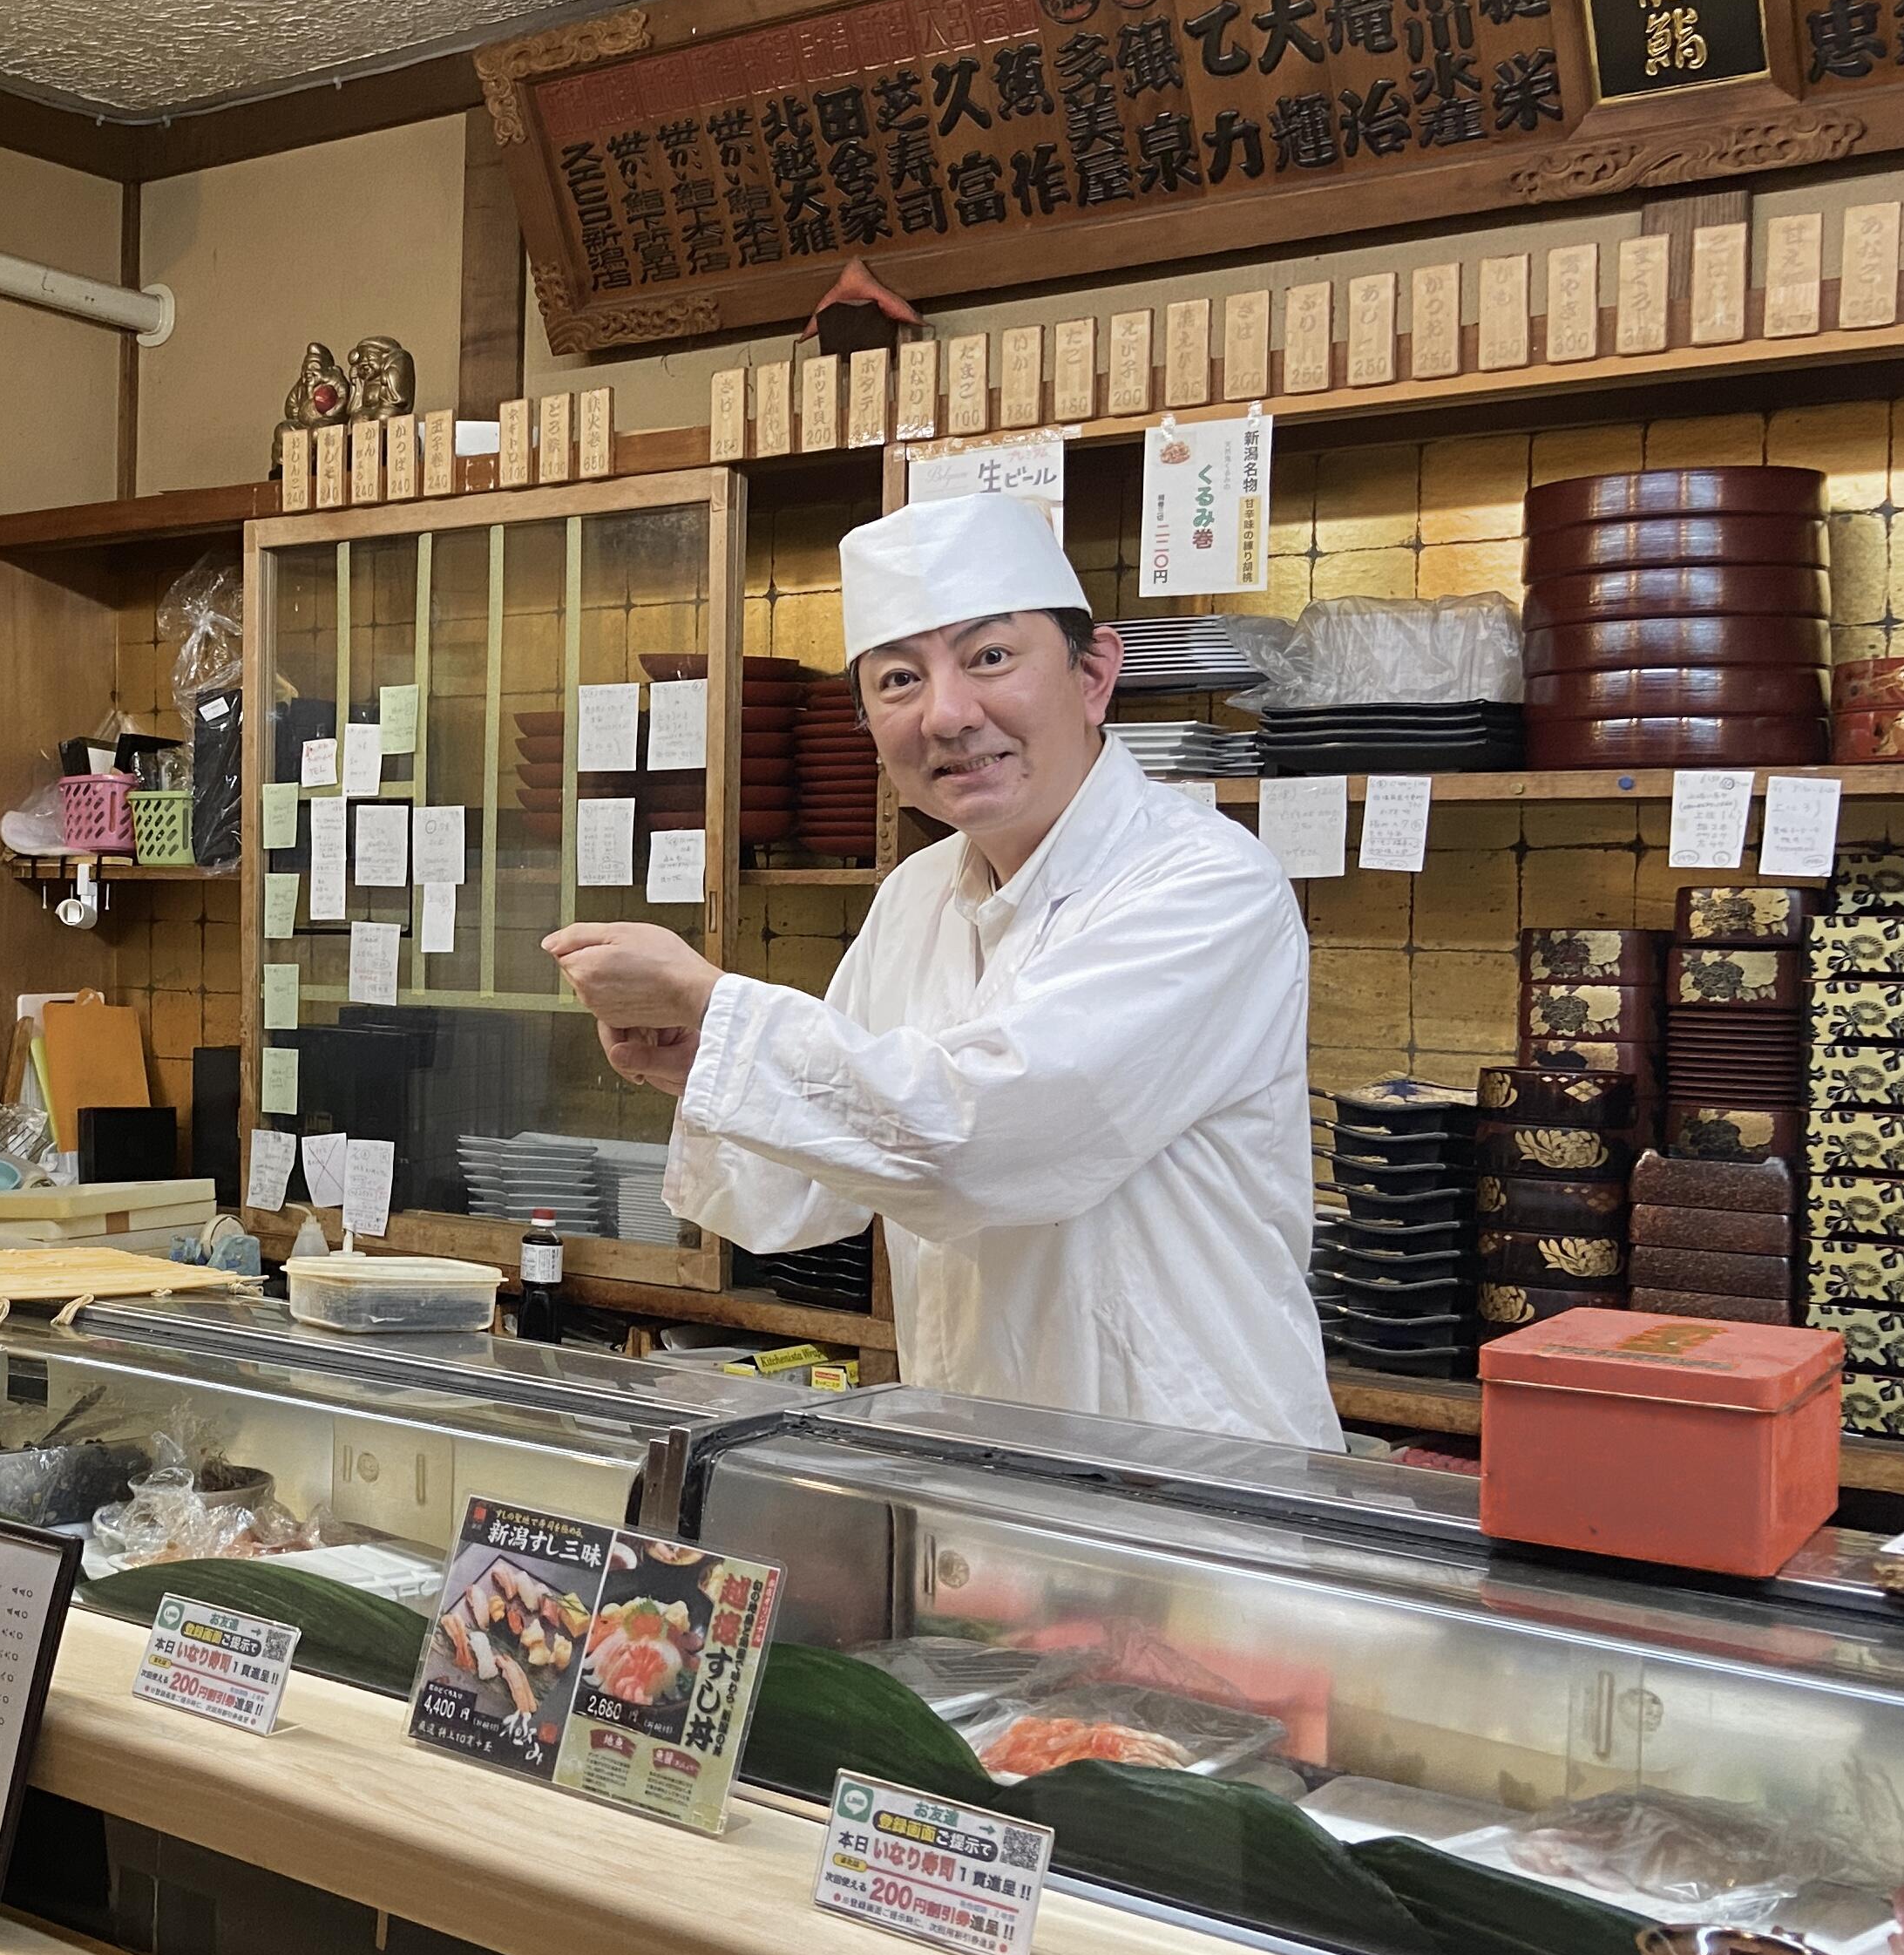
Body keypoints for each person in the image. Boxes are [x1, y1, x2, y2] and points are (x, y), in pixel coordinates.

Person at [547, 490, 1335, 1449]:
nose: (949, 714)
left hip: (1191, 1472)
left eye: (990, 658)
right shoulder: (916, 895)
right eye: (898, 680)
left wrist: (719, 1008)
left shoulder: (1202, 881)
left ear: (1094, 675)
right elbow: (793, 1198)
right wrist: (696, 1059)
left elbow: (986, 1145)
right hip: (977, 1459)